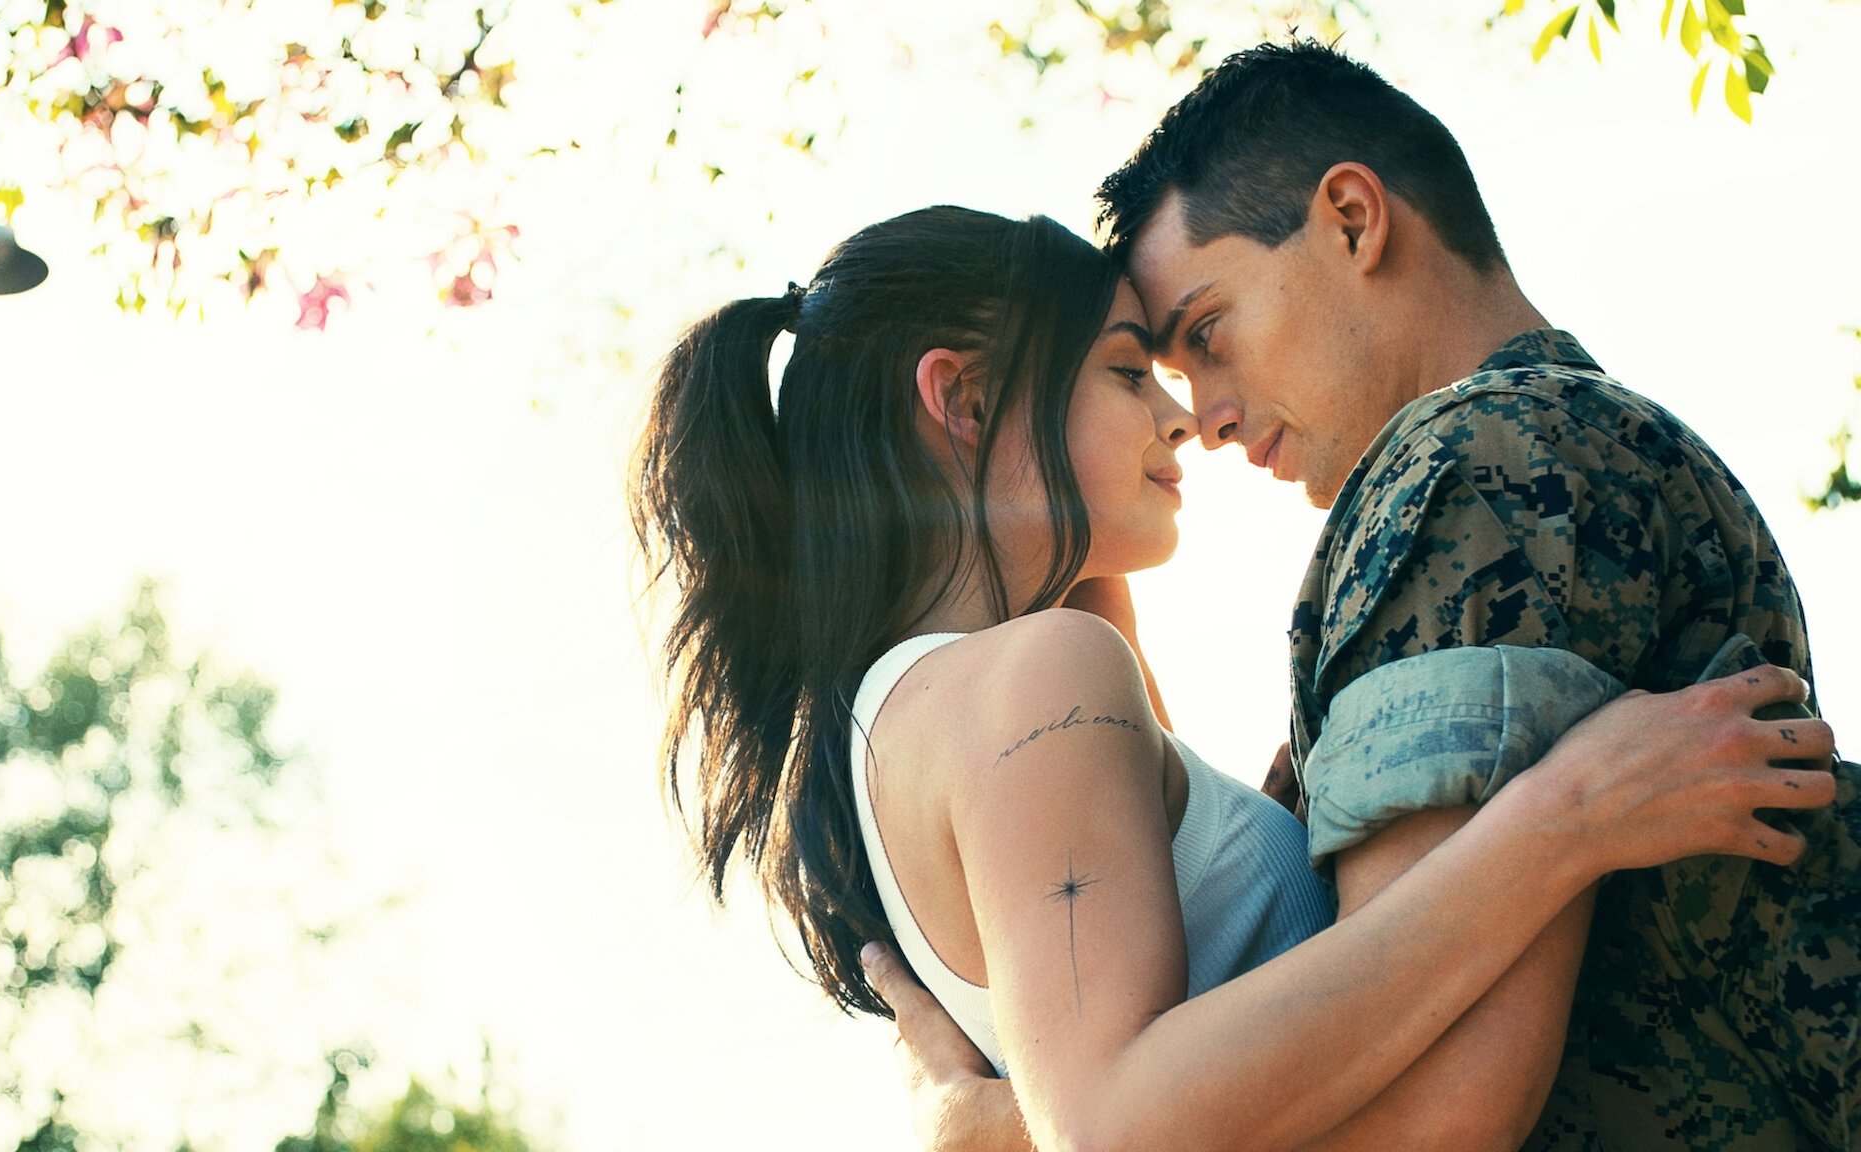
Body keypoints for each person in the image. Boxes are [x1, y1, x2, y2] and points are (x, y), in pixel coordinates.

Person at [629, 204, 1840, 1151]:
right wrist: (1571, 814)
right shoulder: (1035, 677)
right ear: (961, 396)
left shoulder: (901, 720)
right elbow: (1108, 1123)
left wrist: (991, 1130)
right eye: (1125, 370)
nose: (1180, 417)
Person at [871, 41, 1861, 1152]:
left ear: (1351, 219)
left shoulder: (1467, 468)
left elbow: (1434, 1109)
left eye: (1208, 334)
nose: (1206, 418)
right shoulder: (1591, 445)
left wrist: (1002, 1128)